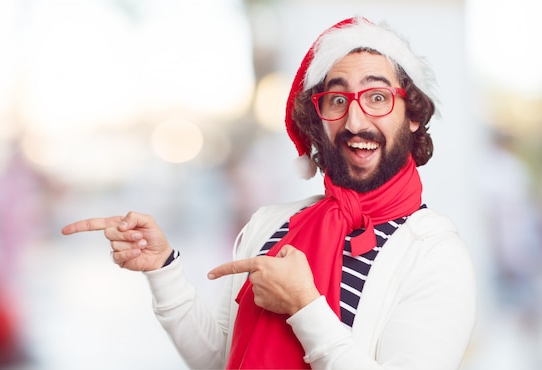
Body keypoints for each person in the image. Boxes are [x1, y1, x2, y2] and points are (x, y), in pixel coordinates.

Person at [62, 17, 476, 369]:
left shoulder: (436, 255)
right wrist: (161, 268)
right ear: (318, 121)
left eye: (378, 97)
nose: (354, 120)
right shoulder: (272, 223)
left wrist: (304, 306)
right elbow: (220, 358)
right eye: (336, 100)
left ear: (415, 117)